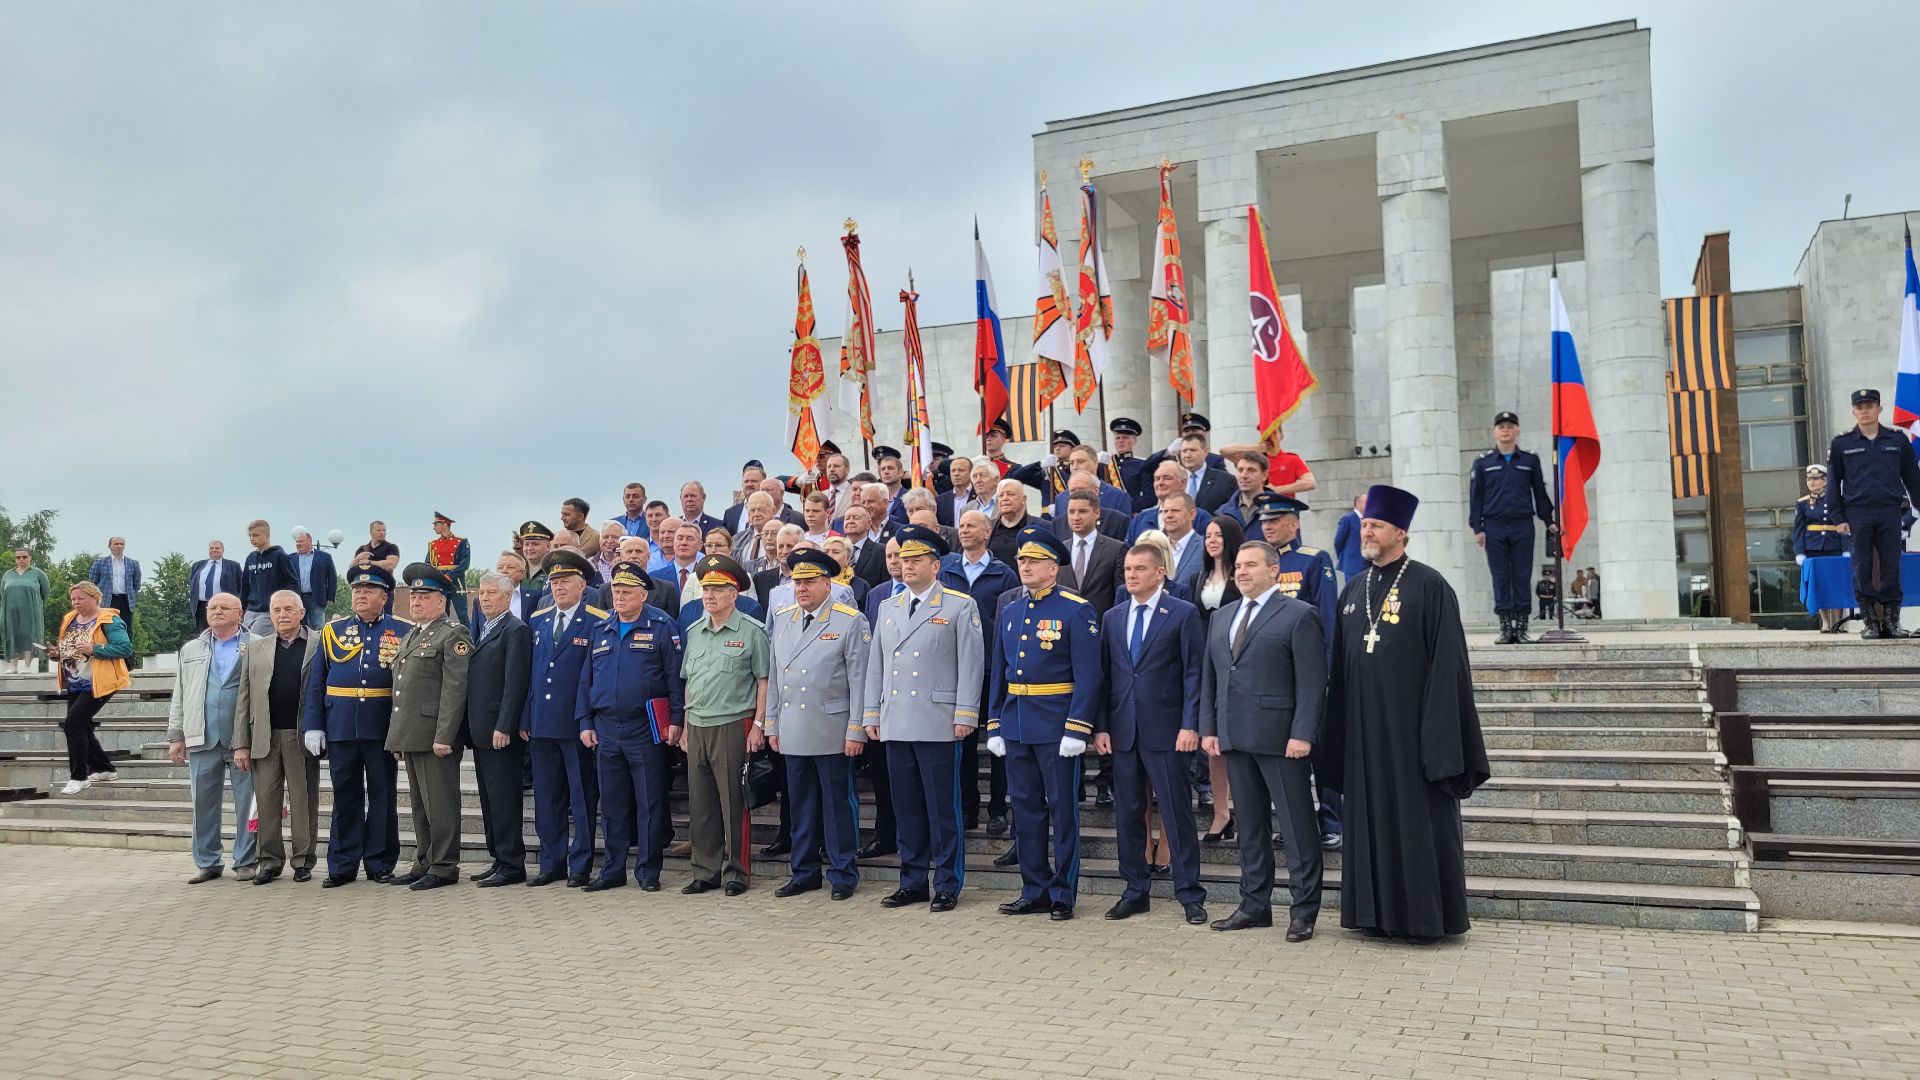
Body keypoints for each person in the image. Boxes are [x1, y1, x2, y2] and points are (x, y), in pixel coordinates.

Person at [1321, 484, 1490, 942]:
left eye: (1376, 525)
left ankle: (1424, 920)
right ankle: (1373, 916)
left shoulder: (1430, 586)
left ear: (1401, 532)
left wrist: (1438, 739)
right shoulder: (1354, 588)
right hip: (1364, 735)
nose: (1367, 532)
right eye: (1365, 525)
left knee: (1417, 826)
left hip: (1415, 736)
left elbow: (1449, 668)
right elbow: (1340, 666)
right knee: (1369, 825)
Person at [1199, 540, 1326, 940]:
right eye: (1237, 565)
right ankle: (1254, 905)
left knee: (1296, 827)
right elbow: (1211, 678)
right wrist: (1209, 727)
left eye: (1250, 565)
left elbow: (1312, 680)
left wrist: (1302, 733)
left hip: (1281, 738)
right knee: (1250, 827)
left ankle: (1303, 911)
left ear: (1274, 570)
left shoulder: (1299, 614)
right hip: (1235, 735)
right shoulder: (1223, 616)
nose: (1241, 571)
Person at [864, 525, 983, 912]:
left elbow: (971, 664)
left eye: (915, 560)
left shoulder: (958, 605)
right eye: (902, 559)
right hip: (897, 718)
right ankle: (912, 879)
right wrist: (871, 712)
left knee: (941, 807)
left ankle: (947, 881)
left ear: (935, 565)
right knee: (907, 806)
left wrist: (966, 713)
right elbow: (876, 666)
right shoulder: (887, 607)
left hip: (938, 719)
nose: (906, 565)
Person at [985, 526, 1101, 922]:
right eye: (1021, 560)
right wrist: (995, 721)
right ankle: (1033, 888)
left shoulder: (1076, 609)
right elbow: (1000, 671)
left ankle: (1063, 892)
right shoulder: (1012, 610)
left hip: (1056, 725)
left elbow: (1089, 675)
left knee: (1062, 810)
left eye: (1033, 561)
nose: (1025, 566)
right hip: (1018, 723)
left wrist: (1077, 727)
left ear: (1053, 569)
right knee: (1025, 810)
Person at [1098, 543, 1208, 925]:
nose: (1131, 575)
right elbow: (1106, 676)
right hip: (1124, 731)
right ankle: (1135, 890)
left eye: (1140, 569)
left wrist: (1190, 725)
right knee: (1128, 814)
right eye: (1128, 569)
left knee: (1177, 814)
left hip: (1168, 731)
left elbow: (1194, 673)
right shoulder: (1113, 617)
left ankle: (1190, 894)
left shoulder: (1182, 613)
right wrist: (1101, 727)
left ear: (1160, 572)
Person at [765, 548, 870, 900]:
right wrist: (772, 724)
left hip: (832, 727)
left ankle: (843, 874)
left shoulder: (849, 620)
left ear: (828, 583)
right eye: (797, 582)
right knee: (801, 805)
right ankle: (804, 871)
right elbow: (777, 677)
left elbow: (860, 679)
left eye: (809, 582)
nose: (801, 588)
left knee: (838, 805)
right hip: (794, 727)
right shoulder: (783, 618)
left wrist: (857, 728)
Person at [578, 558, 683, 892]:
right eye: (615, 591)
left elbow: (674, 678)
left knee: (649, 802)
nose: (619, 597)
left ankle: (648, 870)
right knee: (612, 803)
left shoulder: (662, 626)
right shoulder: (601, 628)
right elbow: (586, 681)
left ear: (643, 595)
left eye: (626, 591)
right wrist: (585, 721)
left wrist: (677, 720)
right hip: (607, 727)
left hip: (646, 727)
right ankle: (612, 869)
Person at [304, 562, 407, 888]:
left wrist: (402, 730)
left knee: (382, 796)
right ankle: (342, 864)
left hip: (382, 727)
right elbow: (317, 683)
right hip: (341, 726)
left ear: (384, 596)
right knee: (344, 795)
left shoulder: (402, 631)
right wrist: (314, 725)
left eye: (369, 590)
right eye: (357, 590)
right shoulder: (332, 632)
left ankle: (379, 862)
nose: (361, 595)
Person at [677, 553, 767, 896]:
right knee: (701, 805)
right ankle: (705, 870)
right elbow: (689, 680)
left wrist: (758, 724)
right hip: (697, 724)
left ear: (735, 594)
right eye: (706, 589)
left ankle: (735, 873)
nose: (710, 595)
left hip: (733, 722)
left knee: (733, 803)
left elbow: (763, 681)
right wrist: (685, 725)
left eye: (718, 589)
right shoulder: (695, 631)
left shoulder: (752, 631)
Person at [387, 564, 473, 891]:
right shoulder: (414, 633)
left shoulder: (453, 634)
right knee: (420, 804)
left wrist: (445, 735)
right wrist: (398, 736)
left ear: (442, 600)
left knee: (440, 803)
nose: (416, 601)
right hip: (412, 732)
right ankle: (424, 859)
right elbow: (401, 689)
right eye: (414, 595)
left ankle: (445, 864)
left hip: (435, 734)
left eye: (425, 596)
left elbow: (455, 689)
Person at [521, 550, 604, 887]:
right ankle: (551, 861)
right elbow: (531, 673)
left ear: (582, 585)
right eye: (554, 581)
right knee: (547, 795)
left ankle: (581, 862)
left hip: (575, 723)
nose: (558, 587)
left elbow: (594, 675)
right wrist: (525, 716)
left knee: (581, 797)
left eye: (565, 581)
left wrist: (588, 720)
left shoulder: (598, 619)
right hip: (542, 722)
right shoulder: (539, 619)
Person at [166, 592, 258, 883]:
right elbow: (180, 693)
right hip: (201, 734)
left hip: (244, 737)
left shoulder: (257, 645)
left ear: (240, 614)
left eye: (224, 607)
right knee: (203, 803)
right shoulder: (192, 648)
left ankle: (246, 860)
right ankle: (207, 861)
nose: (217, 612)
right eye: (212, 608)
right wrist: (176, 735)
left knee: (248, 803)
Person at [940, 509, 1019, 838]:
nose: (964, 529)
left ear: (987, 532)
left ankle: (997, 809)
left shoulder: (1004, 574)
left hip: (991, 667)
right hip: (954, 670)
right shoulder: (946, 569)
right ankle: (968, 808)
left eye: (971, 525)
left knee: (997, 742)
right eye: (961, 525)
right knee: (964, 741)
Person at [234, 589, 319, 884]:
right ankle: (269, 861)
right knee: (267, 800)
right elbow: (243, 697)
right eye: (276, 610)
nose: (282, 615)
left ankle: (303, 860)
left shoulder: (318, 643)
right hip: (263, 736)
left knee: (302, 799)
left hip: (301, 735)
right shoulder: (255, 648)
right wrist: (241, 743)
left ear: (301, 612)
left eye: (288, 609)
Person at [1828, 388, 1920, 638]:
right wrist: (1838, 518)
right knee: (1862, 567)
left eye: (1870, 406)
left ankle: (1891, 622)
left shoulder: (1897, 440)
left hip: (1890, 511)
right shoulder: (1842, 443)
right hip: (1858, 513)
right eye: (1860, 407)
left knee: (1892, 566)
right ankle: (1870, 622)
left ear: (1879, 408)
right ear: (1853, 411)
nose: (1865, 411)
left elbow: (1912, 477)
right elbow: (1833, 482)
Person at [1468, 411, 1557, 645]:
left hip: (1522, 525)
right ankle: (1506, 628)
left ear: (1517, 430)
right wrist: (1477, 527)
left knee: (1521, 574)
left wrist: (1549, 521)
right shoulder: (1483, 463)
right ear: (1494, 432)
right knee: (1500, 576)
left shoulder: (1529, 461)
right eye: (1501, 426)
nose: (1505, 430)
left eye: (1510, 426)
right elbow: (1475, 498)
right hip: (1494, 526)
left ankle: (1523, 627)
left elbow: (1539, 493)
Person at [466, 571, 531, 887]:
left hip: (499, 731)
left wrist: (505, 724)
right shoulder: (481, 627)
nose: (485, 597)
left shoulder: (515, 630)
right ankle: (498, 858)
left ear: (508, 597)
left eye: (492, 592)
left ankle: (512, 863)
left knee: (504, 799)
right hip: (480, 730)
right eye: (482, 592)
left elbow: (514, 683)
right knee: (489, 799)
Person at [52, 582, 133, 794]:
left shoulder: (109, 619)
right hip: (74, 680)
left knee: (72, 725)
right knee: (82, 726)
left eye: (80, 598)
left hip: (99, 681)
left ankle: (79, 776)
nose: (76, 602)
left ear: (95, 598)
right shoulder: (70, 619)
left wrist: (95, 648)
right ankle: (105, 768)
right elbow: (69, 647)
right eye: (73, 599)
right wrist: (56, 654)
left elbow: (124, 647)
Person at [1193, 515, 1244, 841]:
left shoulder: (1241, 576)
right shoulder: (1199, 578)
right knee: (1212, 744)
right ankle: (1221, 813)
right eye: (1208, 535)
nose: (1212, 541)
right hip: (1204, 661)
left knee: (1235, 741)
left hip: (1235, 661)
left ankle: (1243, 809)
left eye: (1218, 535)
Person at [1793, 464, 1848, 632]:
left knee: (1837, 583)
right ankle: (1825, 621)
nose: (1812, 482)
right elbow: (1798, 530)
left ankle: (1838, 621)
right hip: (1813, 548)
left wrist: (1847, 548)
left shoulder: (1837, 500)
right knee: (1818, 584)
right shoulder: (1802, 503)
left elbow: (1844, 526)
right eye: (1809, 479)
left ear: (1825, 481)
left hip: (1834, 546)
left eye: (1816, 479)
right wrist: (1800, 552)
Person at [1128, 460, 1214, 542]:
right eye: (1157, 479)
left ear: (1183, 483)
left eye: (1167, 478)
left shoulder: (1201, 518)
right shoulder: (1140, 519)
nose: (1160, 483)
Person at [239, 520, 298, 636]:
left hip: (268, 611)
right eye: (250, 535)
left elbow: (293, 583)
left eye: (256, 535)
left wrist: (282, 605)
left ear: (267, 535)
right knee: (243, 643)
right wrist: (241, 609)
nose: (252, 538)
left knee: (254, 641)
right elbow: (245, 585)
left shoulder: (280, 556)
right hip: (250, 611)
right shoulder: (251, 558)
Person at [3, 548, 49, 674]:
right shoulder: (8, 574)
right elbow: (3, 592)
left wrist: (37, 606)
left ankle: (28, 665)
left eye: (24, 557)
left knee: (29, 635)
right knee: (11, 634)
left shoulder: (38, 573)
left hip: (31, 610)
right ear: (15, 559)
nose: (21, 559)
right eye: (18, 557)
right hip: (11, 611)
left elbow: (45, 592)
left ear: (30, 558)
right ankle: (13, 665)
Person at [87, 537, 141, 639]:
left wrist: (131, 594)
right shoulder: (100, 563)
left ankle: (126, 654)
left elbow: (136, 584)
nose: (119, 546)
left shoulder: (133, 564)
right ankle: (105, 652)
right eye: (116, 544)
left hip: (125, 601)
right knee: (105, 628)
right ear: (109, 546)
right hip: (106, 600)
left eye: (122, 544)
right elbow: (92, 583)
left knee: (126, 628)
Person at [289, 528, 339, 631]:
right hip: (298, 599)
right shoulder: (291, 558)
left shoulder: (324, 557)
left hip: (317, 598)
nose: (298, 544)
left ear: (309, 541)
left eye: (301, 541)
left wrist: (331, 597)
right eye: (297, 541)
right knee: (299, 627)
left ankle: (318, 647)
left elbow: (332, 577)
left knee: (317, 627)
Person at [187, 540, 241, 632]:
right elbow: (192, 584)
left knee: (222, 630)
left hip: (223, 605)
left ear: (223, 550)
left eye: (217, 548)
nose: (214, 550)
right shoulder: (197, 565)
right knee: (204, 633)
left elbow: (240, 586)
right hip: (201, 606)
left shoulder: (233, 566)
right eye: (212, 548)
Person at [1157, 493, 1206, 591]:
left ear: (1192, 514)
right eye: (1165, 511)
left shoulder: (1205, 547)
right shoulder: (1156, 548)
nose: (1169, 515)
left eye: (1175, 511)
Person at [352, 521, 401, 617]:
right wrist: (358, 558)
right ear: (371, 532)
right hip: (363, 587)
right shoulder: (362, 549)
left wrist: (370, 563)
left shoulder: (391, 548)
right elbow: (352, 568)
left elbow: (391, 564)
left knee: (384, 618)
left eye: (384, 530)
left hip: (383, 587)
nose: (382, 532)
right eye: (379, 530)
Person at [425, 512, 471, 610]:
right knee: (441, 614)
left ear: (444, 524)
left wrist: (450, 576)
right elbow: (428, 565)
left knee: (462, 615)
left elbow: (465, 564)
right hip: (439, 581)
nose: (434, 528)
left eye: (436, 525)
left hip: (456, 582)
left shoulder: (461, 542)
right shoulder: (433, 544)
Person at [986, 478, 1031, 565]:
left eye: (1010, 494)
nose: (1005, 498)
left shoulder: (1041, 527)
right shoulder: (987, 527)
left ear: (1023, 499)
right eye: (1001, 495)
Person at [1332, 494, 1366, 584]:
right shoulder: (1347, 519)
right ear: (1358, 503)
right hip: (1353, 565)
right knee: (1354, 592)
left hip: (1367, 564)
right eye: (1367, 502)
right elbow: (1338, 541)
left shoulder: (1368, 519)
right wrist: (1345, 557)